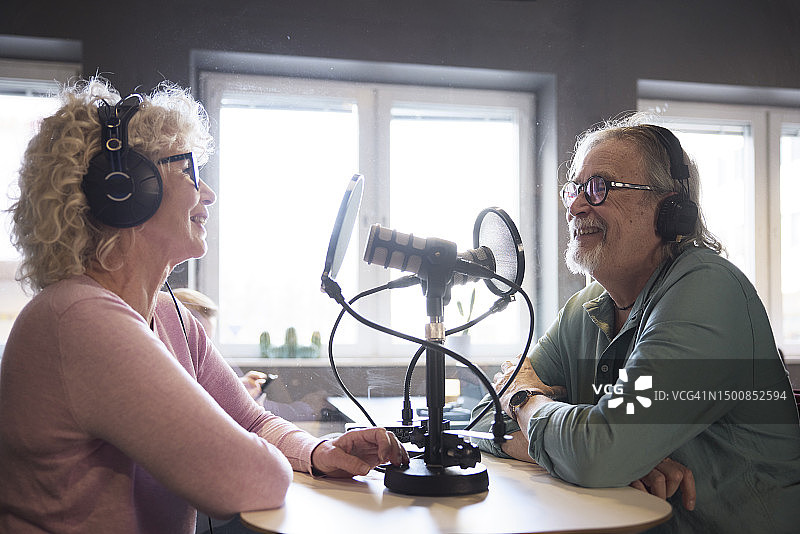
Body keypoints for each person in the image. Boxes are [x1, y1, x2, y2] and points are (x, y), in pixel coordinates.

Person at [0, 78, 408, 534]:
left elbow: (251, 420)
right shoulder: (79, 320)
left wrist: (319, 452)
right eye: (188, 171)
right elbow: (252, 478)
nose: (208, 193)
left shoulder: (172, 319)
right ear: (128, 188)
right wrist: (262, 454)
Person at [470, 115, 800, 532]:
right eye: (574, 188)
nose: (574, 206)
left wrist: (524, 400)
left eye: (599, 187)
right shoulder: (585, 307)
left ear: (670, 209)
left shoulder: (708, 290)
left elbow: (593, 452)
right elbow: (479, 423)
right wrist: (612, 457)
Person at [172, 287, 338, 420]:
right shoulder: (173, 381)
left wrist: (238, 386)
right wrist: (307, 408)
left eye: (208, 342)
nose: (203, 351)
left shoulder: (206, 361)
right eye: (196, 342)